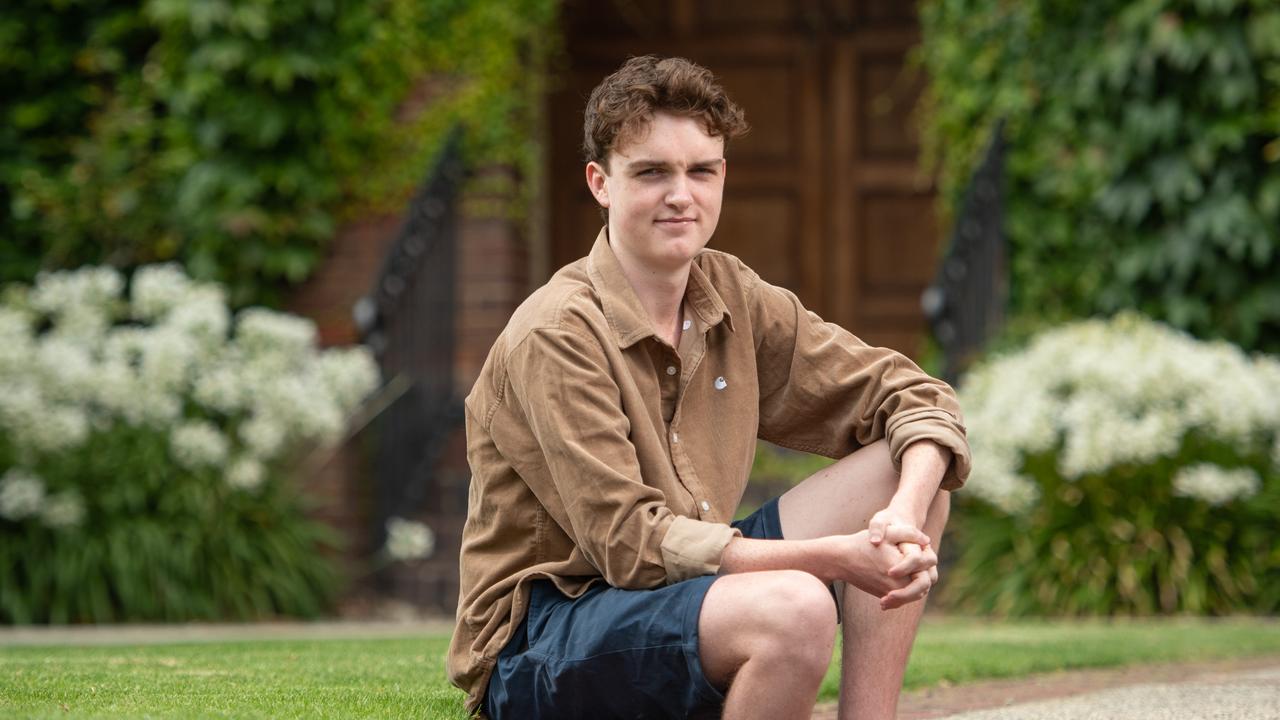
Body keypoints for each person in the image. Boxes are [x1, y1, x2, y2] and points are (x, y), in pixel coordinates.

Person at [447, 55, 970, 720]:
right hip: (544, 642)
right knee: (798, 606)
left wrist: (900, 516)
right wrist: (835, 559)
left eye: (702, 170)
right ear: (600, 182)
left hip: (681, 593)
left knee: (908, 476)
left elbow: (915, 397)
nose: (681, 195)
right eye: (652, 172)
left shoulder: (729, 294)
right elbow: (629, 544)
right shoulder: (556, 333)